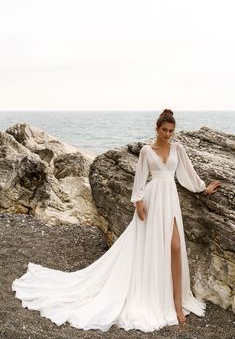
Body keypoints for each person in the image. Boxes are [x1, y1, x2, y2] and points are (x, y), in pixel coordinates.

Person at [12, 109, 221, 333]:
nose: (168, 134)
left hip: (169, 200)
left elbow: (187, 175)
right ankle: (160, 298)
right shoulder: (146, 151)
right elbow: (140, 180)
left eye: (171, 131)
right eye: (164, 130)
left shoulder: (178, 148)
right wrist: (138, 203)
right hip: (151, 202)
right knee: (151, 248)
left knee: (175, 247)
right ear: (157, 129)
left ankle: (178, 303)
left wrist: (203, 188)